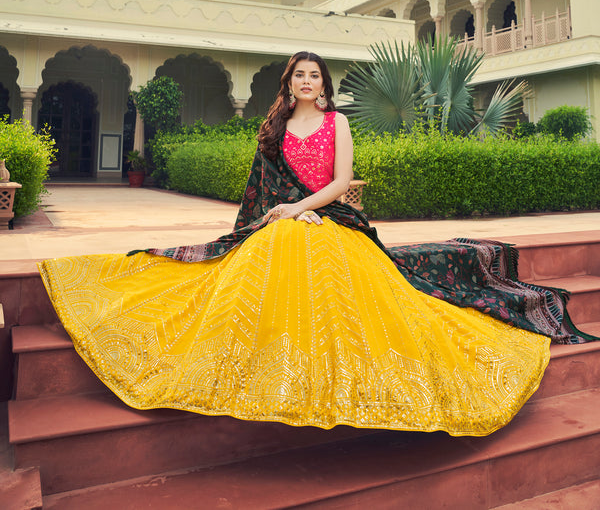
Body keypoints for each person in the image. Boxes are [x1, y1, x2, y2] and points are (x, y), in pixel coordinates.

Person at [39, 51, 592, 437]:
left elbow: (339, 182)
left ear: (323, 83)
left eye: (314, 75)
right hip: (281, 221)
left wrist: (301, 209)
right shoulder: (274, 128)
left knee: (335, 272)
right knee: (255, 263)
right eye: (299, 76)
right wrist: (283, 213)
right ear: (290, 83)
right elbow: (262, 188)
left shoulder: (338, 123)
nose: (307, 82)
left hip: (327, 219)